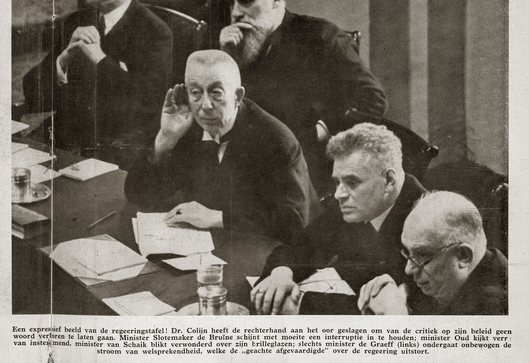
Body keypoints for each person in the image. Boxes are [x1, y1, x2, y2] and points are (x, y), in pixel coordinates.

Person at [219, 0, 387, 195]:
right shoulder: (238, 46)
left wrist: (320, 132)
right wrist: (227, 58)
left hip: (306, 172)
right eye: (231, 3)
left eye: (246, 0)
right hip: (247, 169)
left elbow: (373, 98)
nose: (236, 12)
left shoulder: (321, 36)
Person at [124, 50, 319, 243]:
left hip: (275, 253)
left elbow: (294, 224)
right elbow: (137, 194)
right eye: (196, 93)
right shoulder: (184, 125)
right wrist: (164, 140)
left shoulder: (276, 140)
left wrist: (217, 218)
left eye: (216, 93)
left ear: (238, 96)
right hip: (211, 245)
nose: (205, 105)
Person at [23, 0, 172, 168]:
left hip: (114, 151)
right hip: (61, 141)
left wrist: (99, 59)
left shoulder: (155, 32)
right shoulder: (76, 22)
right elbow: (32, 94)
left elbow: (146, 107)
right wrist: (62, 61)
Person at [251, 123, 425, 315]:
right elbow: (301, 245)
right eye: (337, 182)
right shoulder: (359, 203)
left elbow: (390, 313)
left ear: (389, 181)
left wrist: (299, 304)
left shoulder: (426, 222)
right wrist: (281, 272)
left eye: (352, 182)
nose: (338, 194)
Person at [357, 191, 508, 315]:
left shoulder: (501, 306)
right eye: (408, 253)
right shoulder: (448, 276)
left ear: (463, 256)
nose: (408, 269)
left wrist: (397, 319)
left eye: (422, 255)